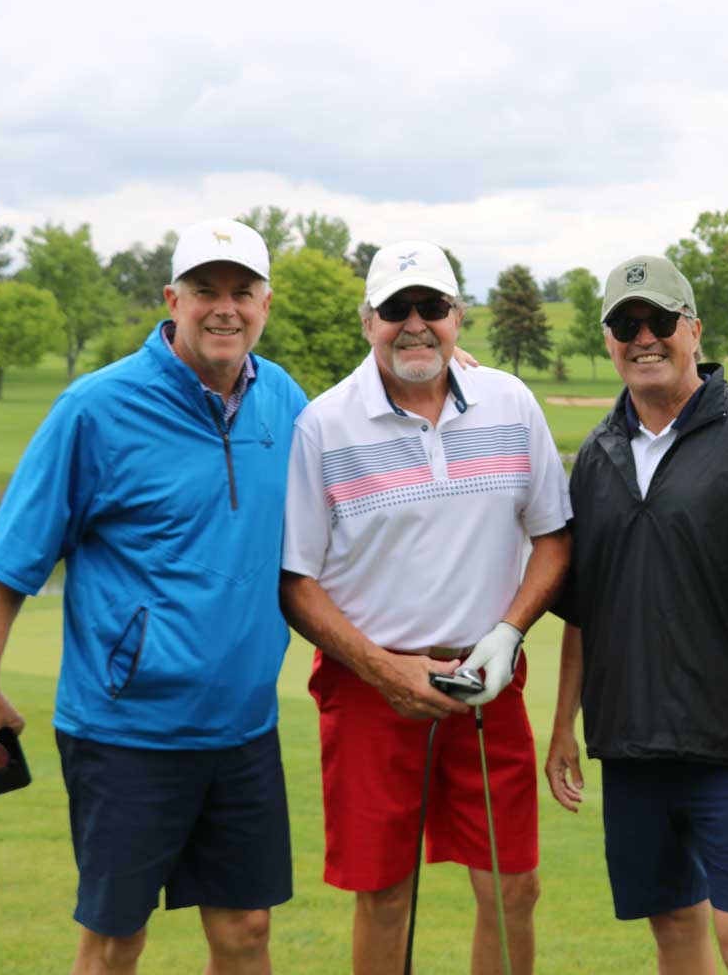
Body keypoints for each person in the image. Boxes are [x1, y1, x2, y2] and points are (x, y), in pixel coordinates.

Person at [0, 217, 308, 974]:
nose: (225, 308)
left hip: (243, 727)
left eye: (242, 292)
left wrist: (446, 375)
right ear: (171, 300)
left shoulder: (284, 400)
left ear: (265, 306)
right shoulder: (96, 408)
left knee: (246, 931)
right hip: (126, 732)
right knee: (116, 941)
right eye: (206, 290)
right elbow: (11, 560)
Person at [279, 239, 571, 975]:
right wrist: (382, 670)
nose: (415, 324)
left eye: (431, 307)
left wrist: (509, 633)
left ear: (457, 316)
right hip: (370, 688)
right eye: (396, 309)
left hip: (488, 680)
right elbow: (296, 582)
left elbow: (553, 537)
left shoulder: (510, 402)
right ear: (367, 320)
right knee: (383, 895)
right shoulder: (324, 424)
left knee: (513, 888)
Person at [544, 254, 728, 975]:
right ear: (608, 340)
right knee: (671, 927)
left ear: (693, 329)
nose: (644, 337)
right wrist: (564, 724)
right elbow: (581, 609)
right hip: (631, 747)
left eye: (660, 321)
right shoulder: (597, 454)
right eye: (625, 325)